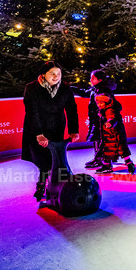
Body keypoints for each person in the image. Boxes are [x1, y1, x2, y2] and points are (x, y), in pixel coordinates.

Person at [21, 61, 80, 201]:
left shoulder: (65, 88)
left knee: (55, 157)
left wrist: (73, 130)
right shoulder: (31, 88)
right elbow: (32, 112)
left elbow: (71, 109)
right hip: (36, 127)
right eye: (52, 73)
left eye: (58, 74)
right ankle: (42, 184)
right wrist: (39, 134)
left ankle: (56, 184)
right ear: (43, 74)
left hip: (56, 127)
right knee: (42, 159)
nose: (56, 76)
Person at [75, 69, 118, 169]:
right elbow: (85, 93)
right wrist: (70, 89)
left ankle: (105, 162)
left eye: (93, 78)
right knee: (96, 139)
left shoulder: (104, 91)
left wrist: (105, 118)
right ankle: (98, 159)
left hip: (102, 121)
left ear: (100, 80)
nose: (90, 80)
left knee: (102, 140)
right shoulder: (96, 89)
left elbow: (111, 106)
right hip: (96, 119)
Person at [92, 92, 135, 174]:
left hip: (116, 134)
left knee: (122, 149)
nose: (99, 105)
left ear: (106, 102)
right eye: (98, 103)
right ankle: (107, 165)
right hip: (108, 134)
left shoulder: (110, 109)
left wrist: (110, 123)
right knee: (107, 151)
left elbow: (112, 117)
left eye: (101, 103)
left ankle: (129, 164)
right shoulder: (103, 109)